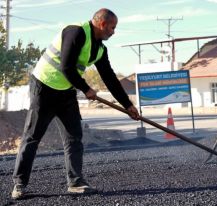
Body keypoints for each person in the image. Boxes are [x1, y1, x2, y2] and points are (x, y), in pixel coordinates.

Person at [11, 8, 140, 199]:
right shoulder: (76, 32)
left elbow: (110, 78)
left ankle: (76, 182)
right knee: (32, 137)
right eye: (112, 27)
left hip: (66, 91)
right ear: (102, 23)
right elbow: (66, 66)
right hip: (44, 88)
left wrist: (127, 105)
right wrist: (86, 88)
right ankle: (19, 185)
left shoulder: (100, 49)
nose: (114, 32)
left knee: (74, 136)